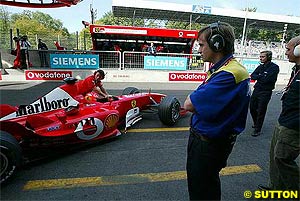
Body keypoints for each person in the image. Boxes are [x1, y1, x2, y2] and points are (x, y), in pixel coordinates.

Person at [183, 22, 250, 200]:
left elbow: (189, 104)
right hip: (210, 141)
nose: (199, 50)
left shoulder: (228, 74)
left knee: (202, 190)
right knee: (206, 185)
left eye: (202, 44)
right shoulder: (226, 69)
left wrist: (194, 97)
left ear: (217, 44)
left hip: (208, 144)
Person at [258, 36, 300, 191]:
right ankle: (275, 188)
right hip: (283, 120)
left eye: (289, 49)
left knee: (282, 159)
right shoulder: (296, 69)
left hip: (293, 126)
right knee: (274, 158)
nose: (286, 52)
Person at [249, 50, 280, 136]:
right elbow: (253, 76)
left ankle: (257, 129)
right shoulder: (260, 67)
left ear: (268, 57)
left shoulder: (274, 67)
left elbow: (267, 79)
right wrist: (261, 76)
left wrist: (259, 77)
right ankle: (256, 123)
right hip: (257, 89)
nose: (261, 58)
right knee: (252, 107)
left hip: (266, 91)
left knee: (261, 110)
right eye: (260, 56)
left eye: (263, 56)